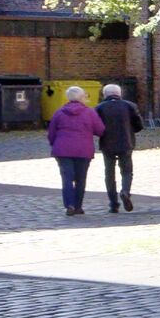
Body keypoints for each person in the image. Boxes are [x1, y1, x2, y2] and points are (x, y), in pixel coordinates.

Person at [46, 83, 102, 218]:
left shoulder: (59, 112)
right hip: (83, 150)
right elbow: (100, 130)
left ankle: (69, 204)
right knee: (81, 179)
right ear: (82, 97)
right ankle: (78, 206)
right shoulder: (89, 112)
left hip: (63, 149)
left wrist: (55, 145)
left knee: (67, 178)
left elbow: (51, 133)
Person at [95, 75, 140, 214]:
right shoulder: (130, 106)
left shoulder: (99, 108)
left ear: (104, 95)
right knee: (127, 171)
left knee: (109, 173)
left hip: (107, 144)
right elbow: (138, 125)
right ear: (119, 94)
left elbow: (96, 127)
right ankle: (125, 191)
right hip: (126, 142)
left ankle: (113, 204)